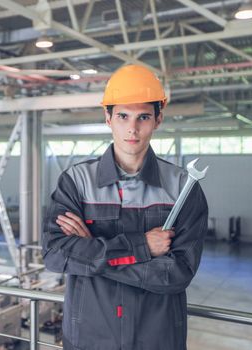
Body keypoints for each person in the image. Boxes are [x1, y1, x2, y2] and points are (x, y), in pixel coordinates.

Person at [42, 65, 208, 350]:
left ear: (158, 119)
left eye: (143, 116)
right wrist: (141, 247)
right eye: (123, 116)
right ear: (108, 118)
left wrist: (92, 254)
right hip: (90, 339)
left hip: (158, 339)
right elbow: (54, 254)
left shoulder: (183, 187)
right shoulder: (77, 182)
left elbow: (176, 274)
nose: (132, 128)